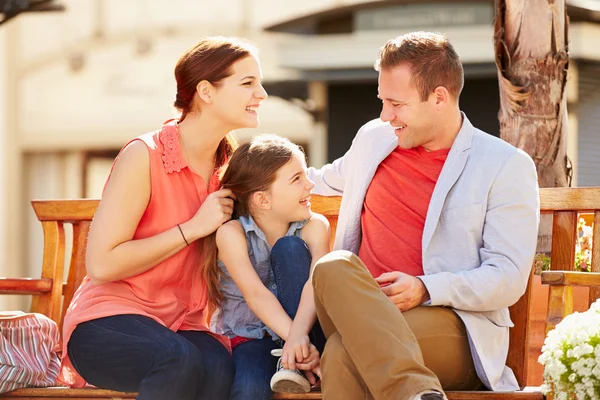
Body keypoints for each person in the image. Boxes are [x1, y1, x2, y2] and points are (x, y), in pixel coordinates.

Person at [308, 31, 540, 400]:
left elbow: (507, 278)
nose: (386, 116)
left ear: (439, 98)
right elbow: (313, 183)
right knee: (334, 266)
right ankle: (416, 393)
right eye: (383, 101)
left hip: (448, 324)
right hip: (356, 312)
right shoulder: (373, 139)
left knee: (340, 354)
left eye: (396, 104)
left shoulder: (503, 165)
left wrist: (426, 287)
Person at [59, 37, 268, 400]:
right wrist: (191, 229)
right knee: (179, 359)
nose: (261, 94)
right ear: (206, 91)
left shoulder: (231, 168)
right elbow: (102, 264)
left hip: (182, 324)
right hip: (107, 322)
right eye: (247, 83)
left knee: (218, 366)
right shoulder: (145, 155)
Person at [208, 134, 329, 399]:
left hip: (309, 331)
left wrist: (298, 338)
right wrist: (297, 342)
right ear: (263, 200)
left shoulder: (314, 227)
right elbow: (256, 294)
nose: (309, 185)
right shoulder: (232, 234)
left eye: (305, 174)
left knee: (290, 248)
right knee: (248, 388)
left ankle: (296, 362)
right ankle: (293, 361)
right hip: (253, 337)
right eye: (297, 179)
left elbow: (315, 285)